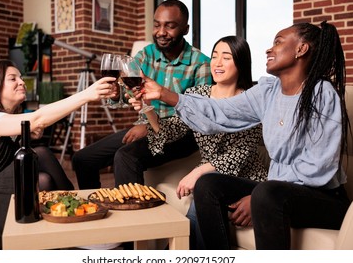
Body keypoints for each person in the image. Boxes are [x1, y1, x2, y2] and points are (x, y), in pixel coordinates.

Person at [139, 21, 351, 250]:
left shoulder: (322, 93)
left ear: (301, 49)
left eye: (278, 42)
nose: (269, 49)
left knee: (267, 193)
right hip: (275, 191)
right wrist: (164, 94)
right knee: (208, 184)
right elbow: (220, 112)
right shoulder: (268, 91)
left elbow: (318, 165)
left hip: (322, 197)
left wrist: (258, 198)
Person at [128, 36, 268, 249]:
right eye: (214, 56)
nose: (217, 63)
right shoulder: (196, 94)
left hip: (245, 179)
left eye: (226, 57)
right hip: (208, 182)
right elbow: (171, 131)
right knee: (200, 201)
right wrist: (148, 108)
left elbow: (242, 153)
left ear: (240, 62)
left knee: (197, 205)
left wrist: (198, 172)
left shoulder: (251, 100)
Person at [0, 60, 114, 250]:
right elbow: (37, 118)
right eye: (13, 79)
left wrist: (26, 135)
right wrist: (86, 94)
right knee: (40, 162)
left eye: (20, 77)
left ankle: (70, 224)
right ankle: (78, 219)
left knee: (43, 175)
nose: (22, 82)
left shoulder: (5, 123)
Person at [72, 0, 212, 189]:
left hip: (183, 136)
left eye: (170, 26)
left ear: (185, 29)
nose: (161, 32)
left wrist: (151, 126)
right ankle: (94, 206)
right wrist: (115, 94)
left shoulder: (201, 64)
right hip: (146, 125)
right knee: (83, 159)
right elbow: (127, 92)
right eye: (157, 25)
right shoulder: (147, 55)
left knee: (126, 156)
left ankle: (135, 216)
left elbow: (198, 115)